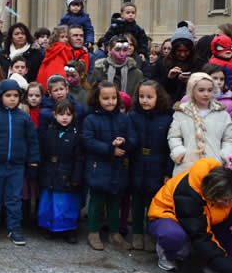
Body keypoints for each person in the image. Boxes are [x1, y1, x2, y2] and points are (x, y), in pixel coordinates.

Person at [0, 79, 39, 245]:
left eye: (15, 95)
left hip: (16, 166)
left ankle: (14, 228)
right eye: (8, 95)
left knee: (14, 198)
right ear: (0, 96)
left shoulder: (24, 118)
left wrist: (33, 162)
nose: (12, 99)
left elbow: (33, 141)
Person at [148, 158, 232, 273]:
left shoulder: (226, 188)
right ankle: (167, 255)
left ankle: (211, 266)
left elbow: (223, 231)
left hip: (198, 221)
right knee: (174, 236)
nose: (228, 203)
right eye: (225, 200)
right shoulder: (188, 193)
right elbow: (200, 235)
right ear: (212, 194)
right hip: (166, 216)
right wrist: (225, 267)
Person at [83, 81, 136, 251]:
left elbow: (133, 138)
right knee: (96, 200)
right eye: (105, 98)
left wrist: (124, 142)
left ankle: (115, 233)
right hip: (98, 166)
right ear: (97, 99)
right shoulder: (91, 119)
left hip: (118, 167)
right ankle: (93, 232)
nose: (110, 102)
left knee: (115, 200)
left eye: (113, 98)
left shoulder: (124, 118)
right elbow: (87, 141)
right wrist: (108, 149)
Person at [128, 80, 174, 252]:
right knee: (137, 202)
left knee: (153, 202)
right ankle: (137, 233)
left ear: (158, 97)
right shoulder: (133, 116)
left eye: (149, 97)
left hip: (157, 163)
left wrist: (168, 171)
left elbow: (170, 147)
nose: (144, 100)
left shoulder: (167, 118)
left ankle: (150, 234)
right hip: (137, 162)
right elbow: (130, 139)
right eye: (141, 96)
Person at [168, 72, 232, 176]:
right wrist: (179, 152)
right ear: (192, 91)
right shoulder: (181, 112)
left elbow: (228, 139)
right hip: (187, 166)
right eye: (201, 90)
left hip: (214, 167)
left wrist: (224, 155)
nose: (206, 94)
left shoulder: (222, 114)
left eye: (210, 90)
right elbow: (174, 136)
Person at [37, 99, 81, 244]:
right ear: (54, 115)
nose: (64, 118)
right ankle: (49, 228)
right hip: (50, 172)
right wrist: (41, 171)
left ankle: (68, 230)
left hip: (67, 173)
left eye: (68, 114)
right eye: (61, 114)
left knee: (66, 204)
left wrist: (76, 177)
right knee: (49, 203)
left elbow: (78, 158)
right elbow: (43, 153)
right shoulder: (49, 132)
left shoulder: (76, 135)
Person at [157, 26, 205, 102]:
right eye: (179, 51)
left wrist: (191, 80)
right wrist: (169, 78)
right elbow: (157, 87)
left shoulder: (200, 64)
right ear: (173, 50)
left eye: (186, 51)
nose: (182, 54)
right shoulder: (162, 63)